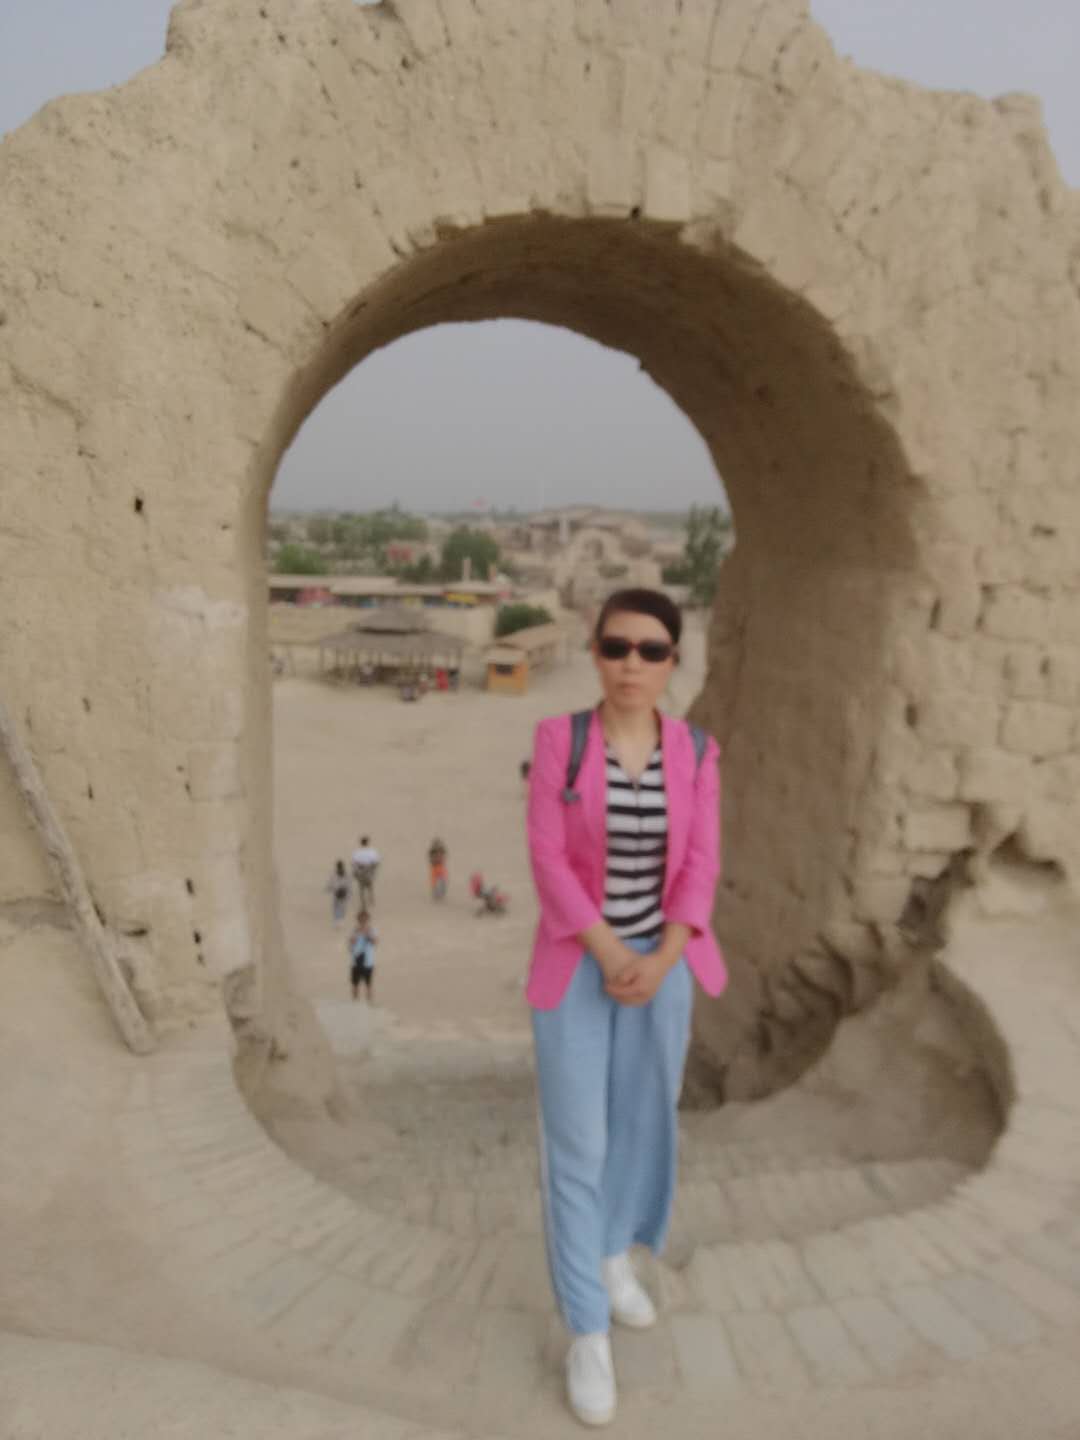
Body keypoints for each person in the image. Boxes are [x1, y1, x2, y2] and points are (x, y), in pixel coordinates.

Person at [525, 587, 726, 1428]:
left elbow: (702, 862)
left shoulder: (698, 752)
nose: (631, 665)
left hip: (664, 966)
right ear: (596, 653)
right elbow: (546, 858)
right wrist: (611, 954)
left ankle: (613, 1255)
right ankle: (587, 1331)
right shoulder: (560, 741)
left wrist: (663, 956)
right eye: (616, 648)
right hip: (581, 963)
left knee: (642, 1125)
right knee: (578, 1144)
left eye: (650, 650)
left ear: (673, 660)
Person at [347, 909, 377, 1002]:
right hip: (356, 960)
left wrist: (367, 934)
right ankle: (355, 1002)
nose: (363, 921)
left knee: (368, 984)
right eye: (361, 919)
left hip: (368, 961)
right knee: (355, 984)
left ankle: (369, 1002)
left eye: (365, 919)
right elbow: (350, 945)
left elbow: (375, 942)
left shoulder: (371, 930)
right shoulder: (354, 931)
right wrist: (357, 934)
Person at [351, 836, 380, 907]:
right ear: (367, 842)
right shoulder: (372, 851)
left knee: (362, 887)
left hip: (362, 871)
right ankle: (369, 900)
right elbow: (376, 863)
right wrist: (372, 869)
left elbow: (354, 863)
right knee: (368, 886)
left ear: (361, 843)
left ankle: (365, 902)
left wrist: (356, 872)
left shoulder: (357, 852)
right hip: (367, 871)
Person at [326, 859, 350, 925]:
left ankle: (337, 920)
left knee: (337, 907)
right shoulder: (345, 874)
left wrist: (329, 889)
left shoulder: (335, 874)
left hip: (339, 893)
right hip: (342, 893)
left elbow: (331, 883)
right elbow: (348, 884)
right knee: (341, 907)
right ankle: (339, 919)